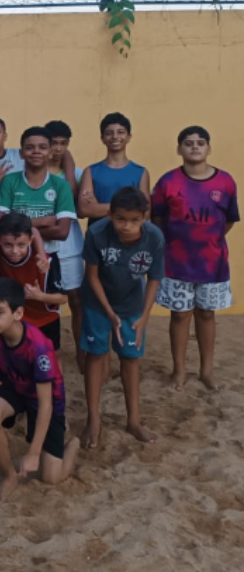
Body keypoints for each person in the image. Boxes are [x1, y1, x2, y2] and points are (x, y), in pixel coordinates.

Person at [152, 126, 239, 391]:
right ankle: (179, 371)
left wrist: (207, 240)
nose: (194, 147)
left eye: (200, 142)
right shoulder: (168, 182)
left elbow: (229, 221)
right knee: (179, 316)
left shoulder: (225, 182)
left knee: (206, 314)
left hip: (213, 264)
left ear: (208, 148)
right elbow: (157, 220)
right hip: (177, 264)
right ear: (179, 149)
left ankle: (206, 371)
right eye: (188, 143)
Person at [0, 278, 78, 503]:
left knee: (51, 477)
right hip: (16, 388)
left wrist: (32, 454)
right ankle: (8, 477)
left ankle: (72, 445)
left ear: (18, 314)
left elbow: (46, 404)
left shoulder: (39, 348)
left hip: (45, 401)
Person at [80, 187, 165, 448]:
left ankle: (134, 420)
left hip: (132, 306)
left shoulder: (154, 238)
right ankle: (93, 420)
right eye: (120, 219)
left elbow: (154, 279)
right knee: (96, 355)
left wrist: (144, 317)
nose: (127, 226)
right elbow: (92, 276)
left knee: (130, 359)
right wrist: (108, 311)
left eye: (134, 220)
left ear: (144, 217)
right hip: (98, 303)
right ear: (110, 215)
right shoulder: (96, 233)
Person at [0, 126, 77, 264]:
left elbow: (62, 232)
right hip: (11, 257)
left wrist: (15, 229)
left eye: (42, 147)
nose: (36, 151)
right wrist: (42, 222)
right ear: (21, 153)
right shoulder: (9, 181)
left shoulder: (61, 185)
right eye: (30, 147)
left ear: (50, 152)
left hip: (48, 256)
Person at [0, 212, 65, 351]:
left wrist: (39, 296)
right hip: (13, 320)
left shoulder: (46, 262)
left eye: (21, 245)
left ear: (30, 241)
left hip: (45, 318)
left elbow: (63, 298)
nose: (15, 251)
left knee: (51, 359)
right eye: (8, 245)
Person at [46, 120, 85, 368]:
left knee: (76, 299)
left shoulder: (78, 174)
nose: (58, 148)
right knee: (49, 301)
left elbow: (79, 209)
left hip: (70, 245)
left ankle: (82, 353)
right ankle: (49, 351)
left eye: (63, 143)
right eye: (54, 143)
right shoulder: (33, 172)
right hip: (43, 245)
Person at [78, 112, 150, 224]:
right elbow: (84, 209)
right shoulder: (91, 171)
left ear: (129, 137)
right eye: (109, 133)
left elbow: (146, 212)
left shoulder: (140, 172)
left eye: (120, 132)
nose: (115, 137)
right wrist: (131, 207)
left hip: (130, 237)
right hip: (98, 236)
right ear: (102, 138)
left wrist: (98, 207)